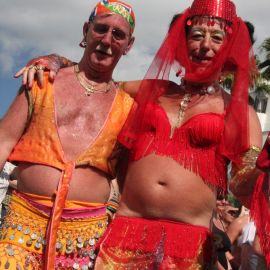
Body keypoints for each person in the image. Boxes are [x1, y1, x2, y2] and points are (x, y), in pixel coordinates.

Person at [16, 0, 262, 268]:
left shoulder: (238, 110)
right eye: (197, 36)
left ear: (229, 48)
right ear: (182, 42)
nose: (205, 46)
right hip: (123, 234)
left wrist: (263, 170)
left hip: (190, 245)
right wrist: (54, 61)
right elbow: (95, 79)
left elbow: (242, 182)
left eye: (217, 38)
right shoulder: (152, 90)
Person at [0, 1, 135, 269]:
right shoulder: (42, 80)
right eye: (101, 29)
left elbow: (128, 179)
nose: (107, 40)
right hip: (21, 226)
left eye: (118, 35)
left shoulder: (128, 106)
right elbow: (3, 140)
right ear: (86, 31)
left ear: (128, 46)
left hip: (86, 240)